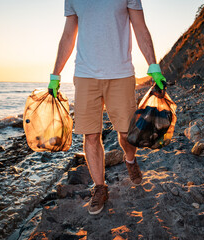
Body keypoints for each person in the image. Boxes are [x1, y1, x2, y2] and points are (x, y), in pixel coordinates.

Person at [48, 0, 167, 215]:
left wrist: (154, 65)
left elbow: (140, 27)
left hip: (120, 73)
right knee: (91, 135)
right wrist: (55, 74)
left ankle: (130, 159)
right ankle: (100, 187)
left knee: (126, 132)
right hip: (85, 75)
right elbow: (68, 35)